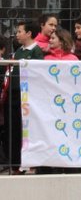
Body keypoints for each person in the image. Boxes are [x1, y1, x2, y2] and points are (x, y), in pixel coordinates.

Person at [2, 20, 43, 172]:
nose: (17, 34)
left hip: (25, 95)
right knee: (12, 129)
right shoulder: (19, 51)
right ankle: (14, 163)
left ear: (29, 33)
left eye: (19, 31)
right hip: (12, 94)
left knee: (23, 130)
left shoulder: (36, 51)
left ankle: (25, 163)